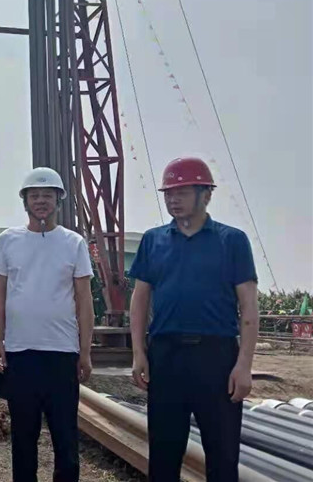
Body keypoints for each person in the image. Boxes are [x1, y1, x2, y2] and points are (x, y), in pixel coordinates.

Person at [129, 157, 259, 482]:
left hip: (216, 357)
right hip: (166, 356)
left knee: (222, 454)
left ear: (206, 195)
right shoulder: (153, 240)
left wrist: (244, 365)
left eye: (182, 193)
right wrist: (139, 353)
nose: (173, 200)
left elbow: (248, 306)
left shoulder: (232, 241)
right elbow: (140, 300)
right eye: (169, 194)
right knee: (164, 452)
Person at [0, 167, 94, 482]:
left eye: (47, 195)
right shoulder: (9, 240)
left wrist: (85, 352)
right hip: (21, 353)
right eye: (34, 196)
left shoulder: (73, 243)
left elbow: (84, 300)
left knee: (65, 436)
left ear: (58, 200)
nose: (40, 201)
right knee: (24, 436)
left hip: (62, 353)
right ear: (25, 201)